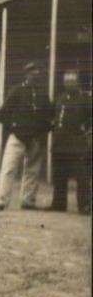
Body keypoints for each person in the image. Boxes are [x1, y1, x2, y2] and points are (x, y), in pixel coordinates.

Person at [0, 62, 53, 211]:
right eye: (31, 73)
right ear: (26, 74)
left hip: (35, 139)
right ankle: (1, 200)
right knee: (8, 168)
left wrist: (42, 132)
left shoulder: (43, 94)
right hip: (17, 137)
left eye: (37, 73)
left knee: (32, 170)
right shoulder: (17, 91)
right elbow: (2, 113)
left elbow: (49, 115)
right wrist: (13, 126)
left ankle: (28, 200)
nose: (34, 75)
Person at [46, 69, 91, 215]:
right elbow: (52, 116)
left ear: (77, 82)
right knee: (59, 176)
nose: (69, 84)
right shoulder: (60, 98)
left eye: (72, 81)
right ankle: (59, 204)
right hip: (60, 144)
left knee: (82, 177)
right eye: (66, 81)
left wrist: (87, 130)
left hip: (77, 144)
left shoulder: (85, 99)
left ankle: (85, 206)